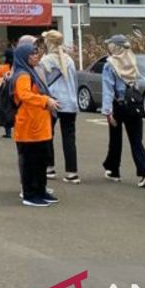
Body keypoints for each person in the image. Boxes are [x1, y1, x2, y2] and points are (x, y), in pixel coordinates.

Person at [100, 34, 145, 188]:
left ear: (115, 47)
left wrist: (107, 112)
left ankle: (114, 170)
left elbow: (108, 90)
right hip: (134, 104)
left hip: (118, 105)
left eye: (110, 45)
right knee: (136, 141)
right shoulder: (132, 60)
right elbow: (139, 81)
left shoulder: (110, 64)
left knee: (115, 139)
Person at [12, 41, 59, 207]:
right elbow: (24, 95)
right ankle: (30, 194)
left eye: (36, 53)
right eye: (32, 53)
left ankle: (40, 190)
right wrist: (45, 100)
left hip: (39, 125)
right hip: (29, 127)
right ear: (24, 57)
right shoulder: (23, 75)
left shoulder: (30, 72)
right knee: (31, 162)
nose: (36, 56)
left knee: (40, 161)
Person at [40, 30, 80, 183]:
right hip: (70, 102)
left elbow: (42, 82)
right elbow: (74, 81)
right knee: (69, 138)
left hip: (53, 102)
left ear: (48, 42)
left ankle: (49, 167)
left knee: (48, 134)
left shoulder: (46, 60)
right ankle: (72, 172)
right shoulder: (69, 60)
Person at [0, 49, 14, 137]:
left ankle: (8, 131)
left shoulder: (2, 68)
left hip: (4, 92)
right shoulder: (16, 66)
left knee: (6, 110)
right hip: (14, 90)